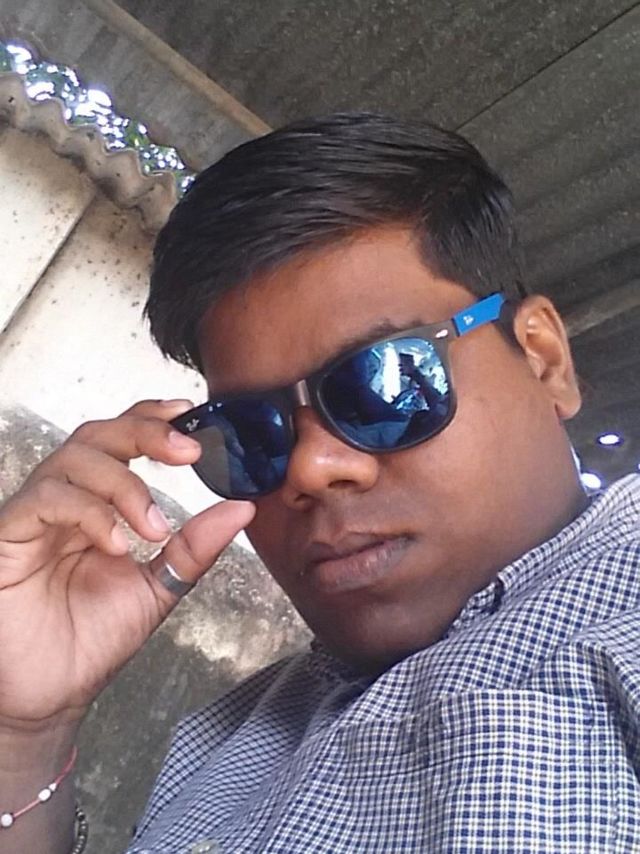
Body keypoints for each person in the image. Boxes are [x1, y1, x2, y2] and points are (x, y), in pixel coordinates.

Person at [0, 112, 638, 854]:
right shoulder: (227, 736)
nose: (310, 469)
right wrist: (23, 741)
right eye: (251, 431)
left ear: (543, 359)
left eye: (384, 382)